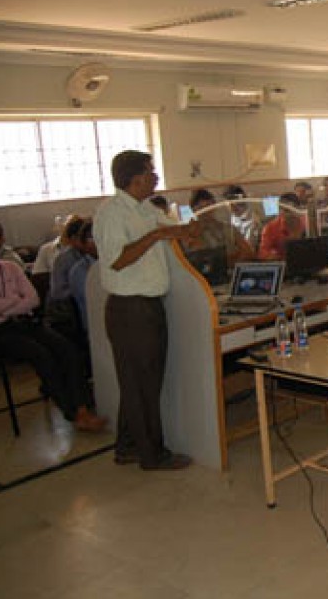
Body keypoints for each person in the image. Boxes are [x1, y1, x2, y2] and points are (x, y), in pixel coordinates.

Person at [93, 150, 200, 468]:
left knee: (140, 383)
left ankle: (128, 446)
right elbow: (117, 259)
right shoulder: (111, 213)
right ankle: (153, 455)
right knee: (142, 385)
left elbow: (174, 230)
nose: (156, 177)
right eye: (151, 172)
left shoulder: (146, 208)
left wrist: (191, 230)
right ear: (136, 178)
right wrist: (156, 235)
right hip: (130, 310)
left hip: (148, 306)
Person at [0, 218, 105, 432]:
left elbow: (33, 299)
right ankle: (73, 413)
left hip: (25, 322)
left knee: (67, 350)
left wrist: (4, 307)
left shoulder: (10, 268)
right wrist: (14, 302)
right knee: (42, 355)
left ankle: (83, 407)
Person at [186, 188, 256, 263]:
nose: (205, 212)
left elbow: (248, 253)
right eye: (201, 208)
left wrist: (231, 260)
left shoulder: (229, 229)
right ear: (193, 210)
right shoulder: (189, 234)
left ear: (214, 206)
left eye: (208, 207)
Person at [67, 220, 98, 332]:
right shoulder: (80, 270)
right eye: (92, 239)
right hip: (95, 325)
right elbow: (96, 302)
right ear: (83, 243)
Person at [258, 192, 305, 260]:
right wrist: (278, 257)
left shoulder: (307, 224)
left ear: (298, 209)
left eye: (289, 210)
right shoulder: (270, 228)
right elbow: (263, 253)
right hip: (282, 263)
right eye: (283, 210)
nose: (287, 214)